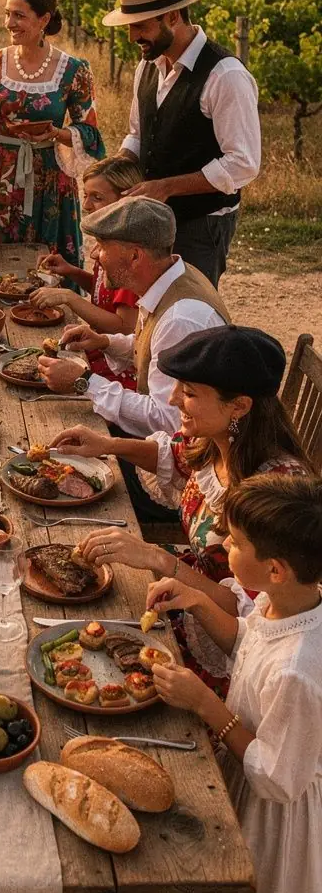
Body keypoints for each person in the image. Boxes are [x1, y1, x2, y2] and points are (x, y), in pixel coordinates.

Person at [148, 474, 322, 893]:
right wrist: (197, 600)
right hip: (249, 780)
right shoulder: (283, 605)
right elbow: (247, 644)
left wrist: (206, 707)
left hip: (280, 823)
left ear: (275, 568)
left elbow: (280, 776)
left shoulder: (304, 669)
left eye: (236, 539)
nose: (223, 543)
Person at [53, 325, 311, 688]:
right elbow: (173, 455)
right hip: (183, 592)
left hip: (226, 651)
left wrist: (157, 559)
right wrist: (106, 444)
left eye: (188, 393)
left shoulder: (272, 493)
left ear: (239, 405)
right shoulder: (217, 442)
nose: (173, 400)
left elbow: (252, 618)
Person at [37, 198, 230, 523]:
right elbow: (159, 350)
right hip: (183, 451)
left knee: (55, 476)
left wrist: (85, 382)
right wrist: (107, 342)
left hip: (190, 476)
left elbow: (167, 420)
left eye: (102, 246)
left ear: (136, 255)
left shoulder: (180, 318)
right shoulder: (174, 276)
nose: (95, 255)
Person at [103, 0, 260, 286]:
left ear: (173, 17)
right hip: (154, 223)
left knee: (190, 307)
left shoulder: (224, 75)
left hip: (200, 224)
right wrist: (115, 167)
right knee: (152, 306)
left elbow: (243, 164)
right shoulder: (147, 67)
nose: (132, 36)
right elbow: (138, 135)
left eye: (140, 26)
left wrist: (166, 187)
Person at [0, 0, 104, 256]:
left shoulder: (74, 70)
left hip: (51, 183)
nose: (9, 23)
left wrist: (57, 134)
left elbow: (91, 134)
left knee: (48, 266)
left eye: (19, 16)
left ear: (44, 19)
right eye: (7, 14)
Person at [30, 155, 142, 387]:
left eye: (97, 197)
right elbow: (106, 294)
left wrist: (70, 297)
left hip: (117, 367)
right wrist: (71, 271)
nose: (88, 205)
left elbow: (123, 327)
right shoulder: (109, 239)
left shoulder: (128, 254)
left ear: (126, 200)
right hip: (99, 348)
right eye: (85, 195)